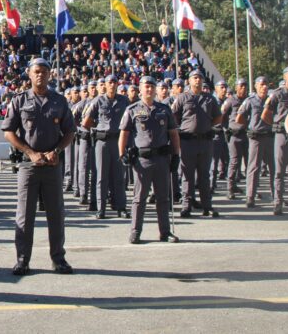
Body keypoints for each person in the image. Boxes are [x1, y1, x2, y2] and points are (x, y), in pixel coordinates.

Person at [2, 57, 75, 276]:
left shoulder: (59, 101)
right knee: (25, 214)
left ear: (50, 74)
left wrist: (57, 151)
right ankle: (23, 260)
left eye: (44, 71)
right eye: (36, 71)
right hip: (28, 166)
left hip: (52, 165)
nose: (40, 75)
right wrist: (30, 153)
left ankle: (58, 259)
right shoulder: (19, 100)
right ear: (29, 74)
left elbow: (70, 132)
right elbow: (8, 132)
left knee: (56, 214)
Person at [119, 76, 180, 243]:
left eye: (152, 86)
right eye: (146, 86)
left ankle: (165, 232)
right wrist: (122, 153)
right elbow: (124, 133)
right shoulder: (132, 110)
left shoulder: (164, 109)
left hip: (161, 158)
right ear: (140, 89)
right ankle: (135, 232)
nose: (149, 89)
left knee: (163, 198)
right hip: (142, 160)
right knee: (139, 198)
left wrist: (176, 155)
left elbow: (173, 133)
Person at [171, 70, 222, 218]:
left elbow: (218, 117)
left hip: (205, 141)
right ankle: (186, 206)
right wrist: (183, 128)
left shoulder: (210, 99)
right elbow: (174, 116)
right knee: (187, 175)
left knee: (204, 175)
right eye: (195, 78)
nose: (198, 80)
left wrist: (207, 126)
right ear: (189, 80)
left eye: (200, 78)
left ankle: (207, 206)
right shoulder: (182, 97)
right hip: (187, 141)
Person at [83, 74, 130, 219]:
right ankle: (100, 208)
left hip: (117, 141)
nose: (112, 85)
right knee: (101, 176)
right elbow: (86, 122)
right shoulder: (98, 101)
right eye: (109, 82)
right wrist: (100, 127)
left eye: (115, 82)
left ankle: (121, 207)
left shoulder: (124, 101)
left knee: (119, 176)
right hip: (102, 142)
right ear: (105, 85)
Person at [262, 66, 288, 216]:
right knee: (279, 171)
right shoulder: (277, 94)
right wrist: (275, 125)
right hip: (281, 135)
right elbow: (265, 114)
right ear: (285, 77)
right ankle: (278, 203)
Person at [235, 77, 273, 209]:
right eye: (261, 85)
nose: (264, 87)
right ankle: (250, 197)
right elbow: (239, 117)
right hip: (256, 137)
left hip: (269, 137)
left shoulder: (271, 100)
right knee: (253, 168)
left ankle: (277, 196)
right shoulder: (250, 101)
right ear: (256, 86)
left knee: (274, 169)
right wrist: (250, 127)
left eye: (266, 84)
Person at [223, 79, 249, 200]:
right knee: (234, 162)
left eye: (245, 86)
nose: (243, 88)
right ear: (236, 87)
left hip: (246, 134)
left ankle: (250, 189)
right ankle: (230, 188)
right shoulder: (231, 100)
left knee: (250, 163)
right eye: (241, 86)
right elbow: (221, 114)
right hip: (234, 135)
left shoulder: (248, 100)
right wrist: (225, 128)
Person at [211, 80, 229, 191]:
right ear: (216, 88)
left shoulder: (226, 101)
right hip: (216, 134)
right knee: (214, 162)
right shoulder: (213, 101)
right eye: (221, 87)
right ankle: (211, 185)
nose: (224, 89)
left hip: (225, 134)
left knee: (227, 159)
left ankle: (231, 184)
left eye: (225, 87)